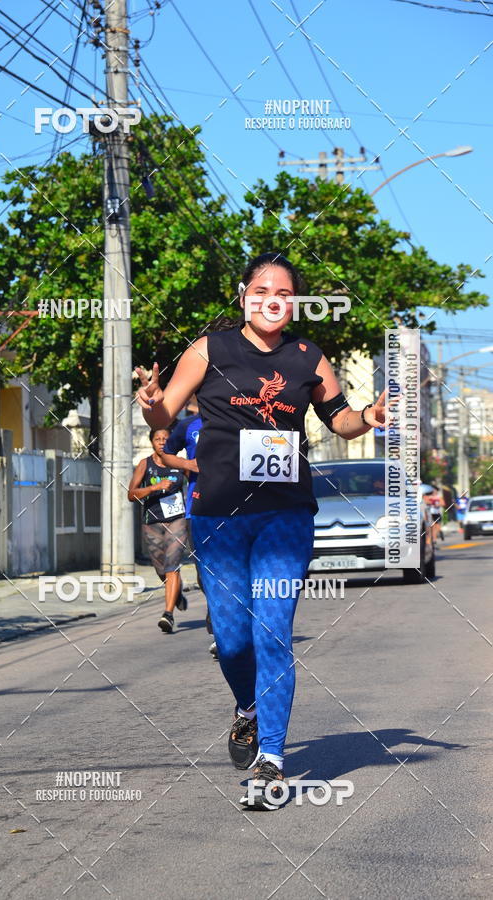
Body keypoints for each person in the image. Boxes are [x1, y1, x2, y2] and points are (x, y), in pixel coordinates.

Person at [135, 252, 391, 809]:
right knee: (231, 641)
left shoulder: (308, 358)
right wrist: (154, 405)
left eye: (284, 291)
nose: (273, 298)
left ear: (293, 301)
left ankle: (273, 755)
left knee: (273, 631)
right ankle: (246, 709)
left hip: (285, 515)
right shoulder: (209, 349)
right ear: (245, 295)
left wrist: (368, 418)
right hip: (219, 515)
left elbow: (340, 421)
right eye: (262, 289)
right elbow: (165, 416)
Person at [158, 395, 218, 659]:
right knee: (205, 573)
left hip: (237, 508)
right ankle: (216, 618)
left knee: (232, 570)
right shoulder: (187, 426)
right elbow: (166, 454)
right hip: (199, 509)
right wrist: (187, 464)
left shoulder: (240, 420)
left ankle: (221, 630)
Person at [127, 428, 188, 634]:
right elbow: (131, 494)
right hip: (152, 521)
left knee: (172, 566)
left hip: (177, 519)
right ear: (152, 442)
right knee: (161, 569)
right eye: (157, 439)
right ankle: (176, 592)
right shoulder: (146, 464)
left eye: (165, 439)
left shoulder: (179, 463)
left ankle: (168, 614)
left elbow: (198, 484)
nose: (162, 442)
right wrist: (154, 488)